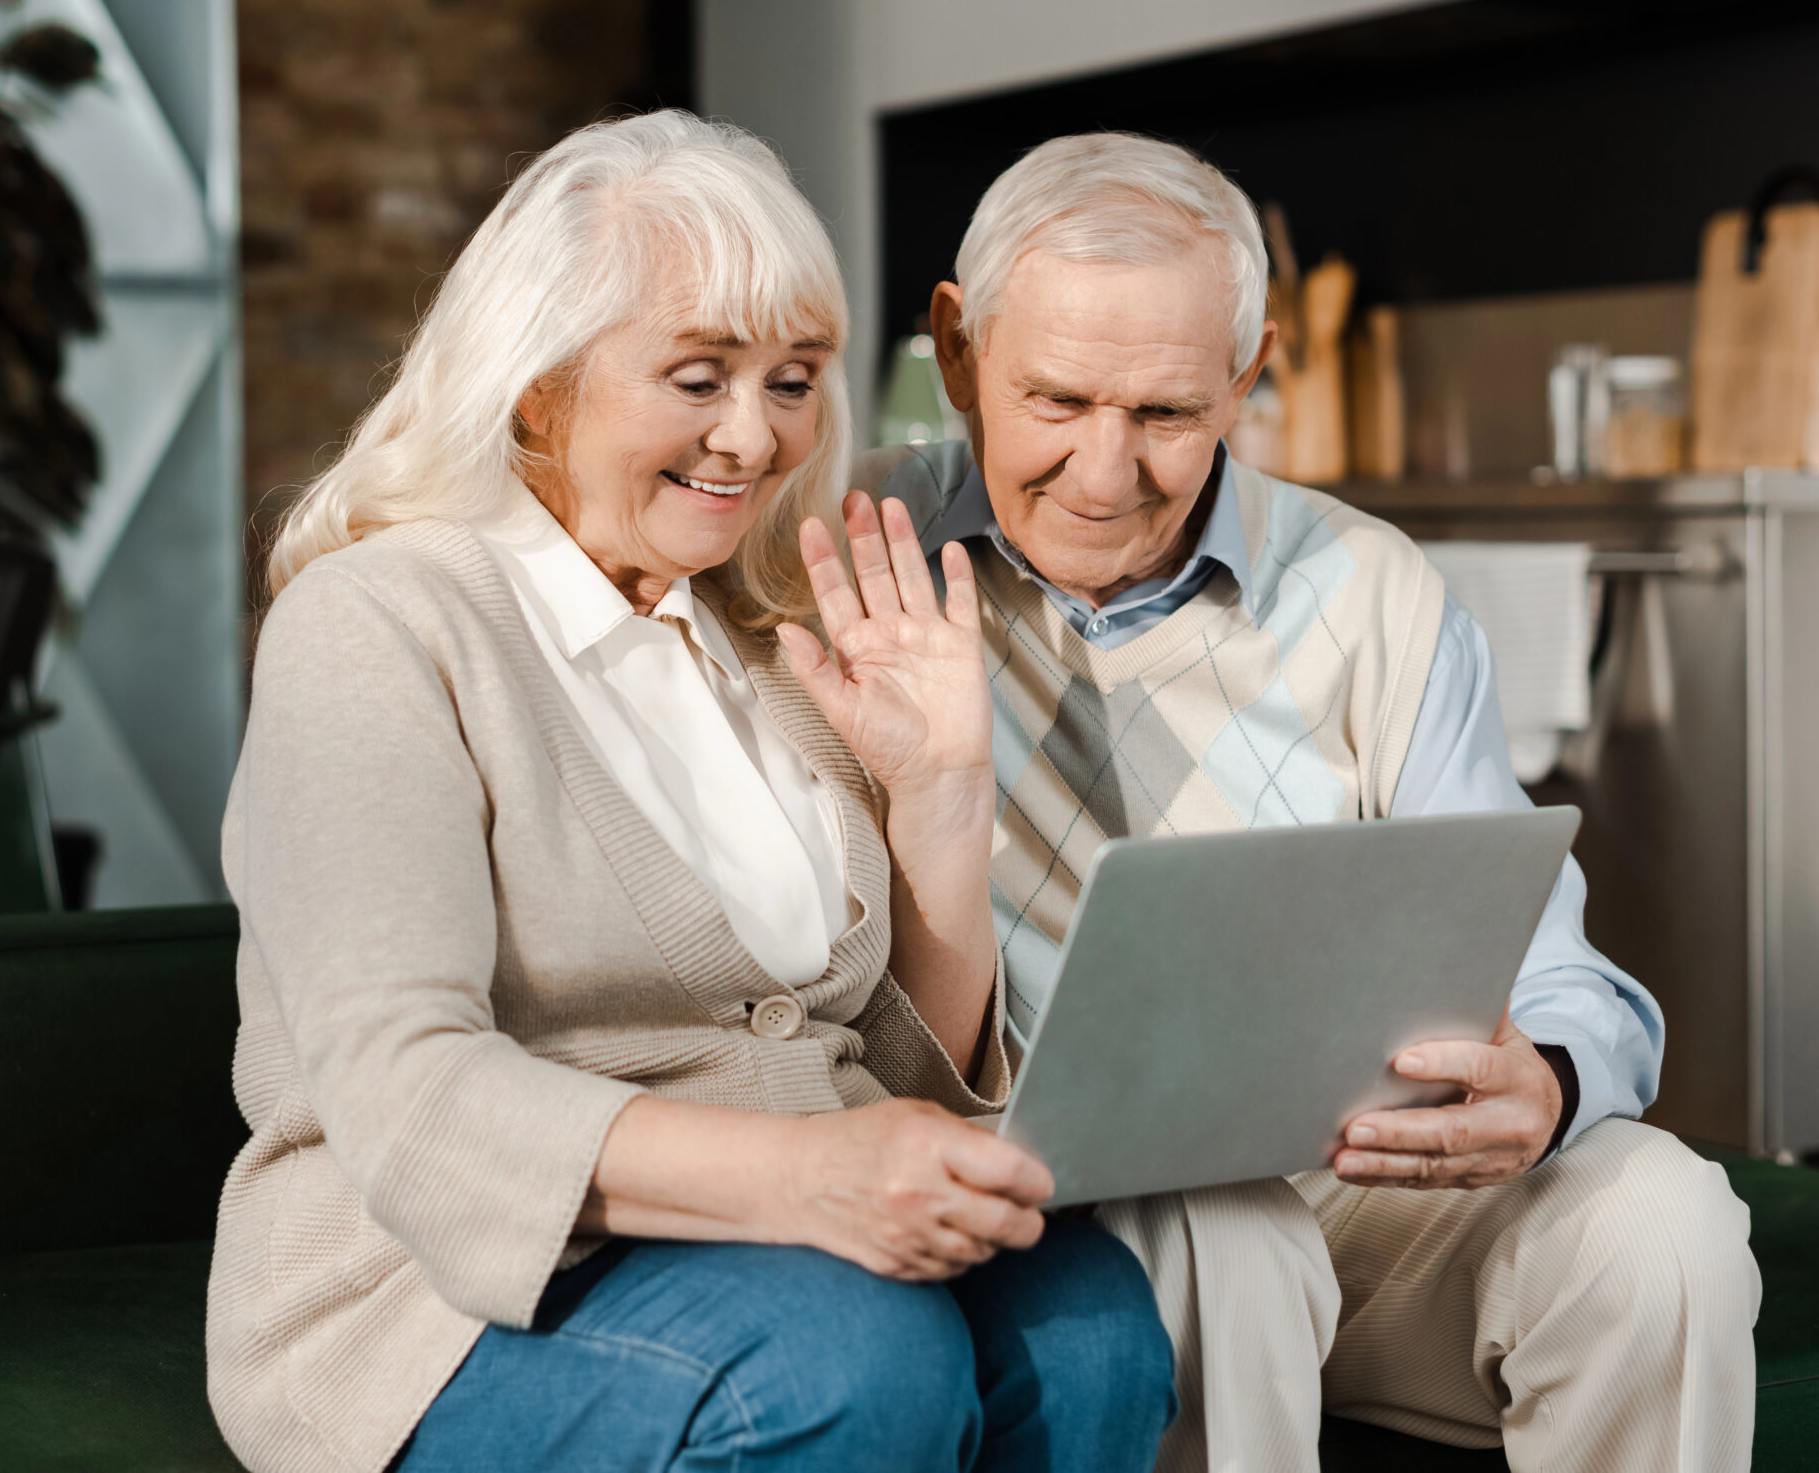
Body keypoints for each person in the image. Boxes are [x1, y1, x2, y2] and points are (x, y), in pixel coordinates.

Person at [206, 111, 1176, 1473]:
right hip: (437, 1301)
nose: (753, 437)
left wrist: (946, 795)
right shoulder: (379, 624)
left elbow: (892, 1084)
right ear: (538, 383)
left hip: (787, 1255)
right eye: (699, 376)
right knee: (848, 1358)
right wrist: (814, 1181)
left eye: (792, 380)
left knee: (1091, 1325)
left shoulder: (763, 634)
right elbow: (405, 1093)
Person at [858, 133, 1763, 1473]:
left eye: (1167, 415)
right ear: (956, 348)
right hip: (1063, 1199)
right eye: (1054, 403)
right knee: (1222, 1227)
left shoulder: (1369, 588)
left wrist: (1552, 1080)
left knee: (1666, 1221)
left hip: (1361, 1180)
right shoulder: (844, 550)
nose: (1106, 477)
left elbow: (1558, 973)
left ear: (1250, 372)